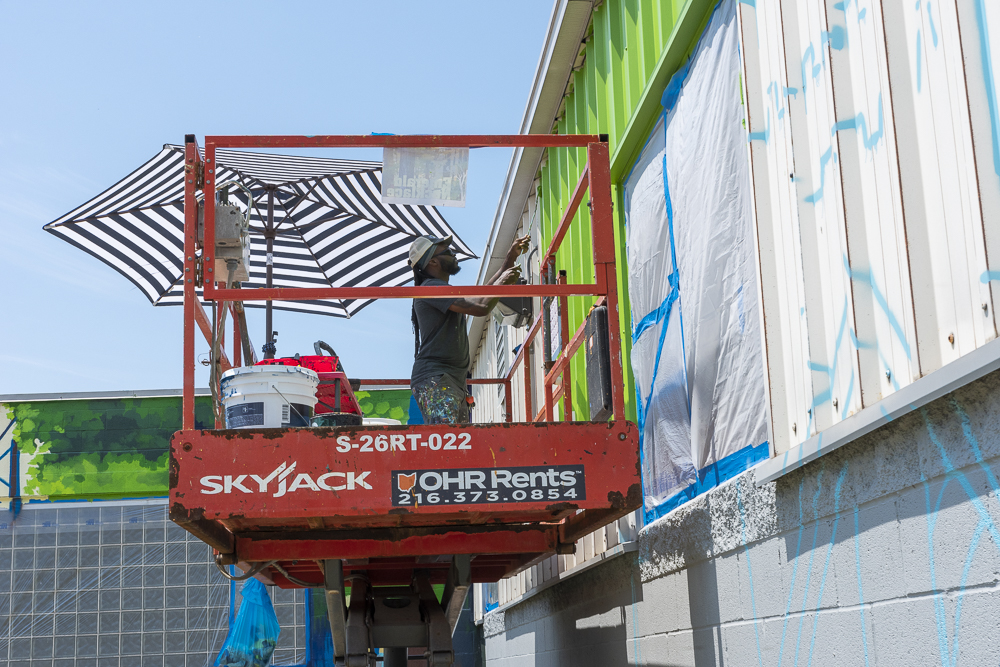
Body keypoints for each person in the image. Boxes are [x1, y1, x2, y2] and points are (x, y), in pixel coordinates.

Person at [408, 234, 529, 424]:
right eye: (447, 251)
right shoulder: (430, 288)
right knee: (449, 443)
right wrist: (502, 281)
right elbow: (480, 307)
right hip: (437, 379)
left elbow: (481, 297)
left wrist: (509, 259)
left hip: (449, 380)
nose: (453, 253)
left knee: (458, 446)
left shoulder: (441, 289)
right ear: (432, 262)